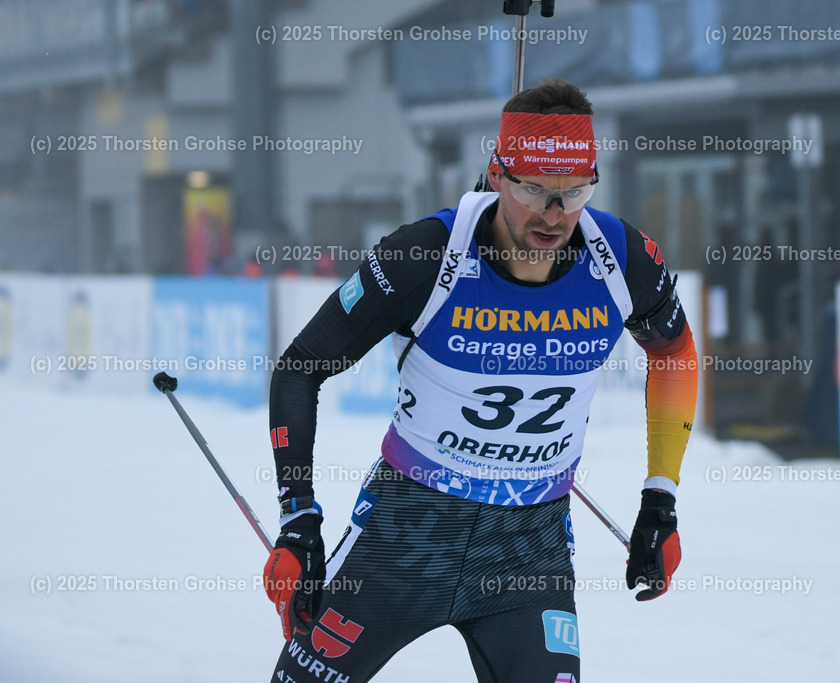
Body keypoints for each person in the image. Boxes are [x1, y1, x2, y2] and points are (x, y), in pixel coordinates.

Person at [263, 79, 699, 682]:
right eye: (533, 190)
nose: (553, 214)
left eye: (574, 192)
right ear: (496, 175)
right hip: (405, 538)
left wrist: (660, 500)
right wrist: (297, 521)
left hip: (527, 552)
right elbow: (300, 368)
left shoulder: (622, 260)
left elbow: (675, 354)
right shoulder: (426, 255)